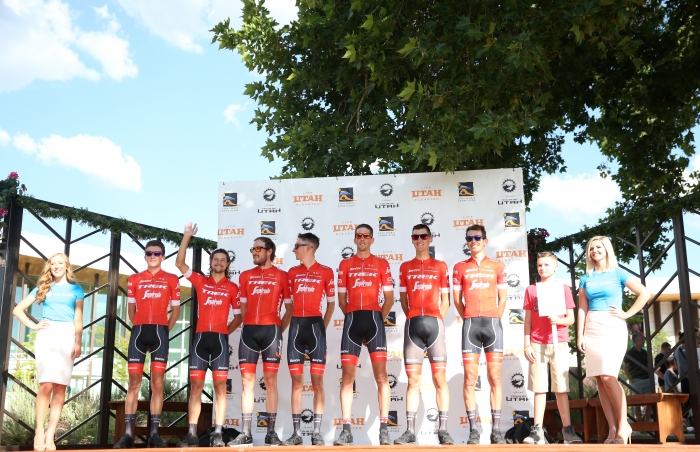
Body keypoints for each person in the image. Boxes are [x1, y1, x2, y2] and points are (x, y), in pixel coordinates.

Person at [577, 236, 650, 445]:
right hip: (591, 328)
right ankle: (612, 428)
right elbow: (582, 307)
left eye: (598, 247)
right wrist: (580, 334)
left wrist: (627, 314)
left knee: (609, 376)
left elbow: (644, 293)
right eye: (591, 248)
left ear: (607, 249)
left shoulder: (617, 272)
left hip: (612, 327)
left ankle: (624, 424)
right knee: (599, 379)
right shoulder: (586, 277)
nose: (594, 251)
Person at [174, 223, 243, 447]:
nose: (219, 262)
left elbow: (239, 316)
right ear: (211, 263)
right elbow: (179, 263)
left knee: (220, 387)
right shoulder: (200, 281)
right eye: (216, 259)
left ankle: (218, 433)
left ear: (227, 264)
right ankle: (192, 433)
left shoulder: (232, 288)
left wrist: (225, 332)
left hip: (220, 341)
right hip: (201, 340)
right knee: (195, 387)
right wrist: (186, 237)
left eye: (223, 260)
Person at [13, 253, 84, 451]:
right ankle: (39, 431)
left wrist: (78, 341)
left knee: (60, 387)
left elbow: (78, 319)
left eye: (60, 263)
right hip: (47, 335)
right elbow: (18, 309)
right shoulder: (43, 288)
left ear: (67, 266)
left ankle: (50, 434)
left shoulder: (76, 289)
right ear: (49, 267)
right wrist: (34, 326)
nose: (56, 266)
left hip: (68, 334)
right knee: (46, 385)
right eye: (53, 264)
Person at [114, 240, 181, 449]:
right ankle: (127, 435)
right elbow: (131, 310)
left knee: (157, 384)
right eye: (149, 253)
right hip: (139, 333)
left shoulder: (171, 279)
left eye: (157, 253)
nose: (153, 256)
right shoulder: (134, 279)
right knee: (133, 384)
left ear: (163, 257)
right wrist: (139, 327)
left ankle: (154, 433)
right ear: (145, 256)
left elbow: (176, 312)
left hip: (160, 332)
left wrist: (163, 331)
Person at [227, 237, 292, 447]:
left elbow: (289, 309)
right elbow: (243, 307)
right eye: (252, 248)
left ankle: (271, 432)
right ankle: (245, 432)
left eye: (258, 248)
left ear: (269, 251)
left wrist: (276, 330)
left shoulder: (282, 276)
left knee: (270, 382)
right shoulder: (245, 276)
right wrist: (249, 324)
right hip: (249, 332)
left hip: (272, 330)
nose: (254, 252)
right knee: (247, 383)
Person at [393, 224, 454, 446]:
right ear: (412, 240)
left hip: (434, 325)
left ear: (430, 239)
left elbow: (446, 301)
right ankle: (409, 431)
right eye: (416, 236)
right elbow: (403, 300)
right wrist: (413, 317)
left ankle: (444, 430)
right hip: (413, 328)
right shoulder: (405, 267)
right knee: (413, 381)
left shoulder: (440, 266)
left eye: (423, 236)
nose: (419, 239)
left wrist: (437, 318)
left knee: (439, 379)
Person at [333, 224, 394, 446]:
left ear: (372, 240)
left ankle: (384, 429)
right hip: (352, 322)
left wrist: (378, 318)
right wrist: (352, 315)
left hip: (374, 322)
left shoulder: (381, 263)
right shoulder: (344, 264)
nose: (361, 239)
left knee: (381, 377)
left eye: (365, 236)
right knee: (348, 378)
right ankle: (346, 429)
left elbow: (389, 298)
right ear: (354, 239)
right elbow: (341, 300)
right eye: (358, 236)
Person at [452, 225, 508, 444]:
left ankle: (496, 430)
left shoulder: (497, 266)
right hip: (470, 327)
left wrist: (496, 316)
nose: (473, 241)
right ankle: (473, 430)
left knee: (495, 377)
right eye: (469, 238)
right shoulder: (459, 267)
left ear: (485, 240)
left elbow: (503, 298)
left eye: (477, 237)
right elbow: (457, 300)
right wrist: (467, 316)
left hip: (493, 325)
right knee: (469, 379)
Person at [522, 252, 582, 444]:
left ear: (555, 267)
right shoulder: (532, 289)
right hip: (537, 343)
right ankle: (537, 430)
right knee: (539, 388)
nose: (543, 268)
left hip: (559, 342)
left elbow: (571, 319)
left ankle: (568, 430)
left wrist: (559, 320)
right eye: (540, 265)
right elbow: (528, 321)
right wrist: (526, 344)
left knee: (561, 388)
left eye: (547, 265)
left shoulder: (563, 289)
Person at [282, 233, 335, 446]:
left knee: (317, 383)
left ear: (309, 248)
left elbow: (331, 304)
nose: (294, 250)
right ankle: (296, 433)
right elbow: (288, 305)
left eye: (297, 246)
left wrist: (323, 327)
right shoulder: (291, 272)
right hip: (296, 327)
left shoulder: (326, 271)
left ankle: (316, 432)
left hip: (315, 328)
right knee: (296, 383)